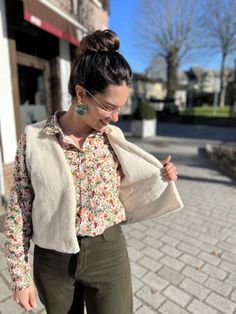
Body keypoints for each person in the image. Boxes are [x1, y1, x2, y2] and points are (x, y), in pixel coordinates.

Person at [4, 29, 183, 314]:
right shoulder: (34, 138)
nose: (115, 117)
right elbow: (19, 210)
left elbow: (137, 180)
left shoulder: (112, 138)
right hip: (53, 262)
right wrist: (20, 277)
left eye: (120, 109)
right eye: (109, 107)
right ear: (81, 94)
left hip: (108, 253)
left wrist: (162, 176)